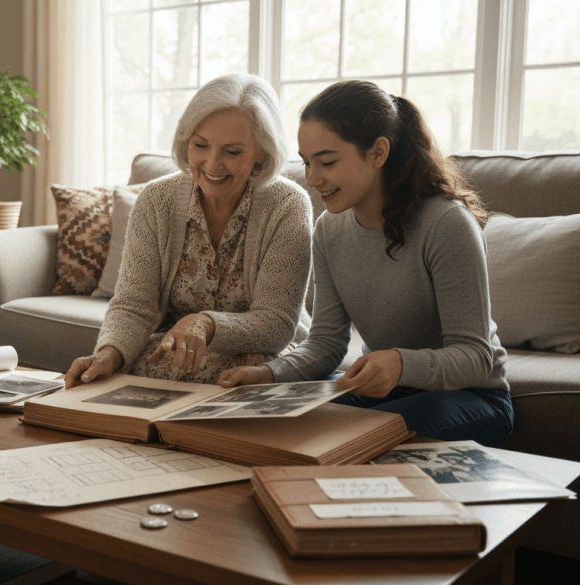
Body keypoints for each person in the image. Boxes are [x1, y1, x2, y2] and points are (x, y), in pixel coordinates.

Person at [217, 80, 514, 447]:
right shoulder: (328, 230)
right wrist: (268, 373)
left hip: (474, 397)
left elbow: (475, 358)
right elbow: (326, 343)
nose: (313, 178)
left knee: (350, 441)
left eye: (327, 162)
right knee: (276, 429)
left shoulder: (446, 224)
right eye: (307, 162)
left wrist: (401, 364)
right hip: (386, 393)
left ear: (377, 153)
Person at [65, 73, 313, 388]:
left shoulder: (288, 206)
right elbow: (133, 304)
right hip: (174, 353)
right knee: (124, 370)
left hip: (265, 352)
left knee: (255, 374)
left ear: (262, 152)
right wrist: (109, 353)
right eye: (201, 145)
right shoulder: (156, 200)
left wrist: (205, 323)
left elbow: (276, 324)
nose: (212, 164)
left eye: (232, 152)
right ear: (186, 142)